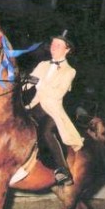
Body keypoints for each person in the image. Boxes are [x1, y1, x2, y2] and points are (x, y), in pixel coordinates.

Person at [25, 30, 84, 186]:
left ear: (67, 50)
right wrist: (20, 84)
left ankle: (63, 170)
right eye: (52, 44)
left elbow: (57, 94)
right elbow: (28, 84)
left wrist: (39, 83)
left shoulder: (70, 71)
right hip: (35, 106)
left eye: (58, 45)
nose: (53, 47)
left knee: (46, 132)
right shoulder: (42, 65)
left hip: (52, 111)